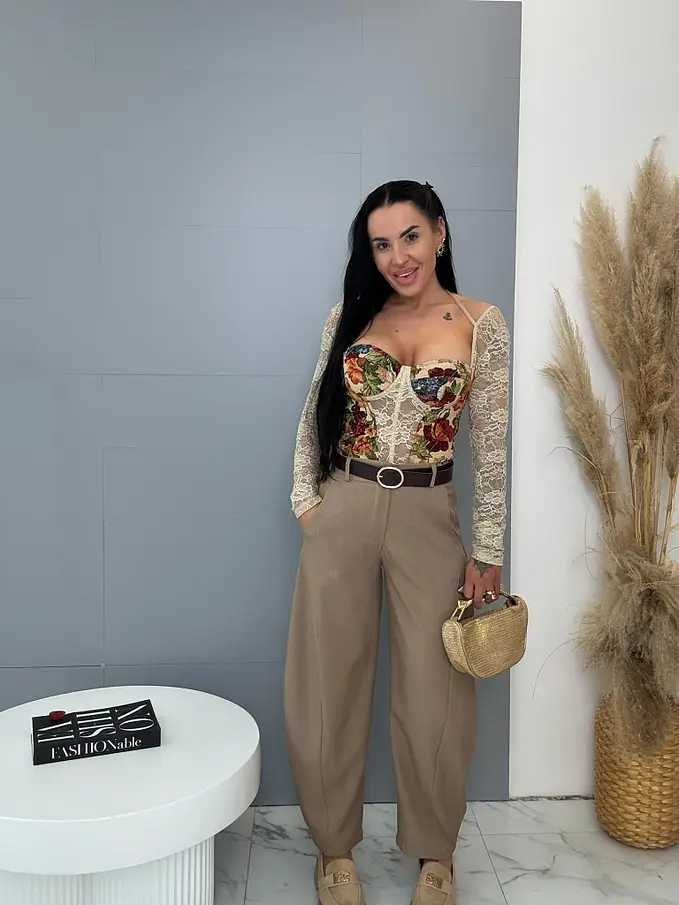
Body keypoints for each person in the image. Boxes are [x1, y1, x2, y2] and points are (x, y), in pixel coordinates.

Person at [284, 180, 510, 905]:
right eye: (381, 244)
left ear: (439, 231)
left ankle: (436, 855)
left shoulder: (480, 323)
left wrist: (486, 547)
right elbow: (314, 414)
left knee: (435, 689)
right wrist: (307, 503)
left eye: (409, 236)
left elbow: (492, 445)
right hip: (343, 504)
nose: (397, 256)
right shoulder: (350, 316)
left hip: (427, 512)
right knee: (328, 681)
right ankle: (333, 850)